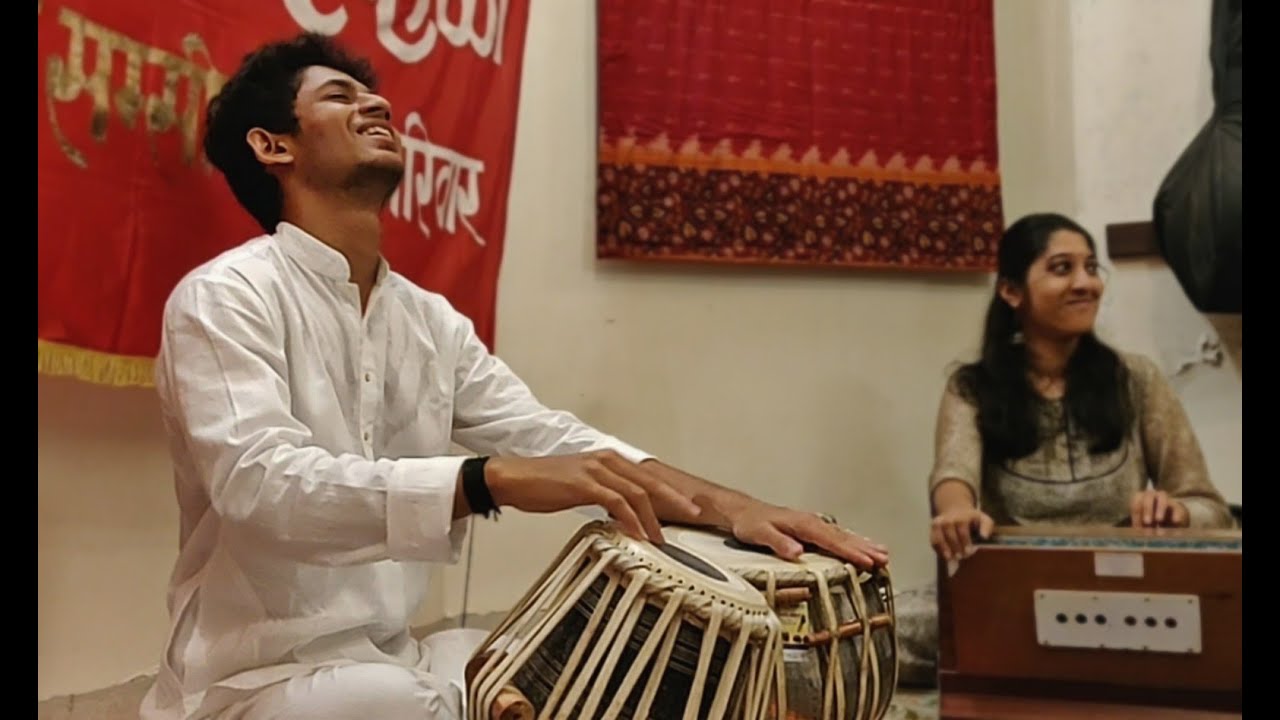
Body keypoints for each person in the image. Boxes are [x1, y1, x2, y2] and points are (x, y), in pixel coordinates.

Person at [137, 32, 889, 720]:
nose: (377, 104)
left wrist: (734, 507)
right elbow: (261, 488)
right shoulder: (225, 297)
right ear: (272, 146)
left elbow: (556, 440)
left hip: (392, 654)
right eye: (338, 96)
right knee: (390, 702)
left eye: (372, 95)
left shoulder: (426, 320)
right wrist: (486, 481)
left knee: (535, 662)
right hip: (252, 679)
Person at [894, 212, 1234, 687]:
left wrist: (1175, 512)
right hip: (1013, 599)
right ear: (1012, 291)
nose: (1085, 283)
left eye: (1091, 268)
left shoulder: (1136, 379)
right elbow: (955, 476)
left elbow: (1210, 509)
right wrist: (957, 514)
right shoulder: (972, 387)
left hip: (1137, 598)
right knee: (885, 631)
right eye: (1062, 268)